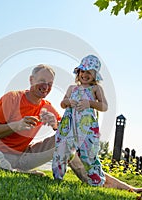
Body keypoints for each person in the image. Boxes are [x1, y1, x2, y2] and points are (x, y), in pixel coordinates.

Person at [0, 63, 142, 193]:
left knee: (67, 143)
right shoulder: (11, 98)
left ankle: (103, 181)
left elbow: (66, 134)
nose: (46, 86)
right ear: (31, 80)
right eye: (42, 81)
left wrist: (57, 124)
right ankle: (18, 173)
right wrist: (17, 125)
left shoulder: (47, 106)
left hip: (24, 157)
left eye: (50, 83)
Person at [52, 54, 107, 186]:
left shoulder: (95, 88)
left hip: (86, 126)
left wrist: (90, 103)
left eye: (89, 72)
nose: (85, 74)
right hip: (69, 124)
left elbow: (104, 106)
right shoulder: (72, 88)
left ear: (95, 75)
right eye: (83, 71)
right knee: (62, 148)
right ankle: (58, 177)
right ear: (78, 72)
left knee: (88, 153)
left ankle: (96, 180)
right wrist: (68, 101)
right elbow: (62, 104)